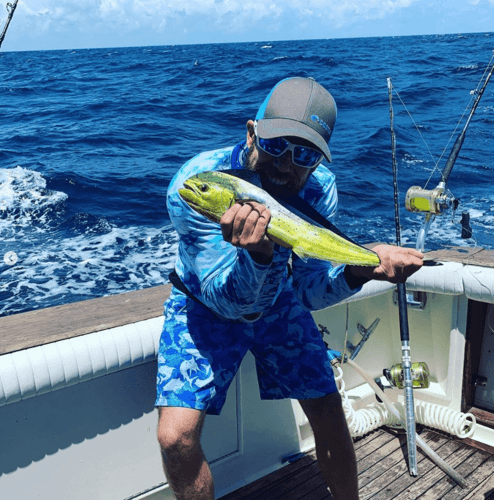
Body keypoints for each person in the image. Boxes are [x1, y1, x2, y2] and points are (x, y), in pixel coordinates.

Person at [156, 76, 423, 500]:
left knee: (328, 410)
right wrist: (259, 257)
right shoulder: (196, 186)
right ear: (251, 133)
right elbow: (229, 302)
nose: (286, 165)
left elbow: (308, 291)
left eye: (304, 155)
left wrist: (361, 269)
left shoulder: (320, 190)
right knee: (175, 437)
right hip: (204, 305)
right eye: (276, 146)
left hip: (280, 302)